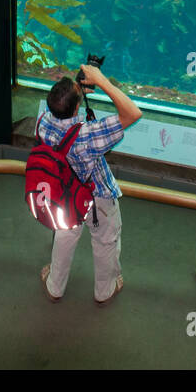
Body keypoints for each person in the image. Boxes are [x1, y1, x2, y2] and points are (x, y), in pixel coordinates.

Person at [39, 64, 142, 304]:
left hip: (65, 195)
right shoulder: (89, 135)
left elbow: (64, 113)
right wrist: (103, 81)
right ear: (76, 108)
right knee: (105, 242)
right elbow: (133, 113)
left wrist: (76, 94)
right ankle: (104, 292)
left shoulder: (44, 122)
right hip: (98, 198)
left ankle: (55, 286)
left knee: (64, 235)